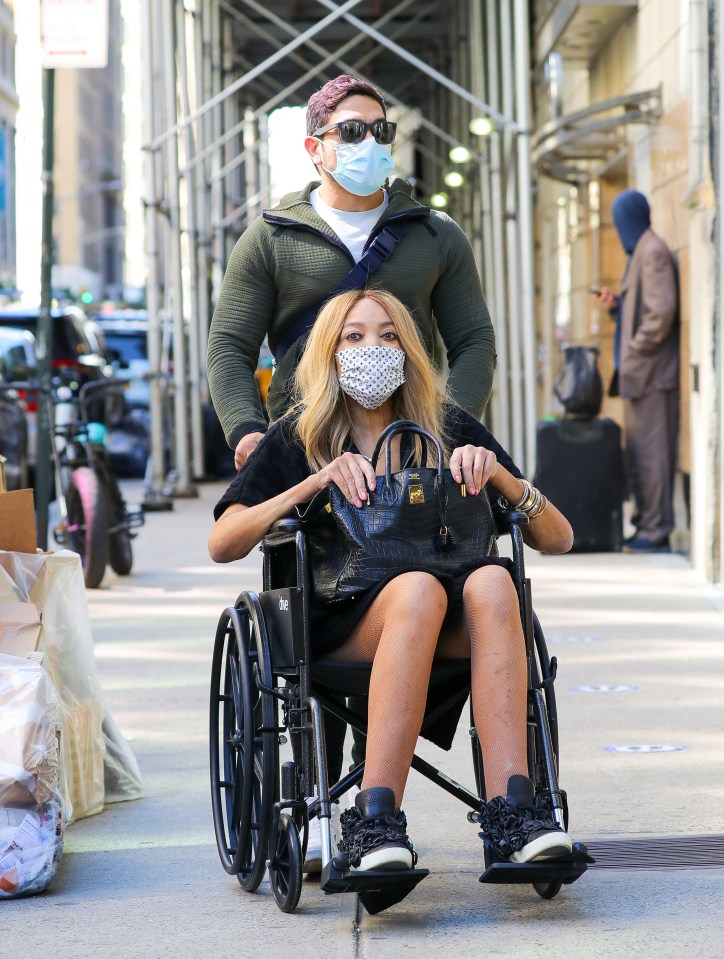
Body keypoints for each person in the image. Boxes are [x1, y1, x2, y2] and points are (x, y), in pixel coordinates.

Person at [209, 289, 575, 873]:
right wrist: (315, 483)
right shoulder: (297, 435)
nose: (372, 348)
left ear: (409, 350)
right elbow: (223, 542)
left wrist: (499, 475)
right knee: (417, 589)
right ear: (329, 353)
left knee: (494, 582)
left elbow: (558, 538)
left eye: (388, 335)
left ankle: (516, 813)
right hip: (344, 624)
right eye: (353, 337)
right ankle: (374, 822)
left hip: (450, 623)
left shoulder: (448, 426)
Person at [207, 74, 496, 472]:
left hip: (410, 450)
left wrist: (449, 428)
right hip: (302, 446)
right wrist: (246, 430)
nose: (370, 142)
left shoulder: (435, 234)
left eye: (381, 130)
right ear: (315, 149)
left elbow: (475, 340)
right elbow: (229, 345)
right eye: (352, 131)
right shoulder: (270, 238)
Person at [595, 189, 679, 553]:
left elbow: (661, 313)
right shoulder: (639, 252)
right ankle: (646, 523)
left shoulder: (653, 251)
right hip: (641, 375)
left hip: (652, 375)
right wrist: (618, 306)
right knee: (640, 456)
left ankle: (656, 530)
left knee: (653, 456)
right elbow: (642, 307)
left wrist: (634, 349)